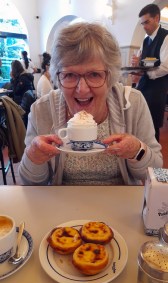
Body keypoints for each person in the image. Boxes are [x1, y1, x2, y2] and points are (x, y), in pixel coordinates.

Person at [18, 22, 163, 186]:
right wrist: (33, 156)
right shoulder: (41, 110)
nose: (82, 89)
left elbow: (155, 170)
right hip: (62, 203)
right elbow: (29, 182)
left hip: (120, 202)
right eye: (70, 75)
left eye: (94, 74)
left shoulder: (133, 103)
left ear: (110, 77)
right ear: (58, 77)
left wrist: (137, 150)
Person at [131, 4, 168, 142]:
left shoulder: (166, 37)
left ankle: (153, 160)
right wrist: (137, 65)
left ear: (157, 18)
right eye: (142, 23)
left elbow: (165, 66)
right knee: (140, 121)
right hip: (143, 86)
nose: (144, 26)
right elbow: (143, 62)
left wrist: (146, 73)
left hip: (157, 89)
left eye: (147, 22)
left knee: (152, 125)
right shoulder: (145, 41)